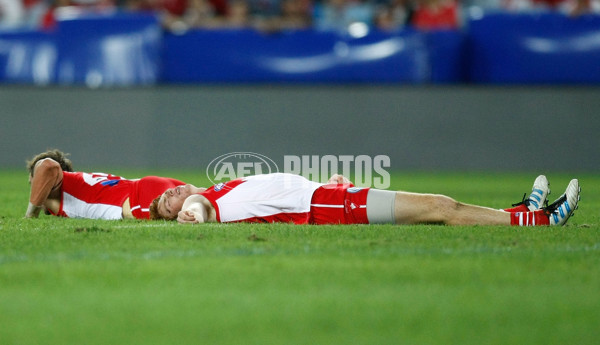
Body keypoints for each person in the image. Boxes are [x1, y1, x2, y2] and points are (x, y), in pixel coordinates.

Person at [149, 172, 580, 227]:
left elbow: (279, 192)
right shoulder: (207, 201)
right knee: (440, 207)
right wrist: (190, 214)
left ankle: (522, 212)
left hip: (329, 195)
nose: (170, 195)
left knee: (440, 204)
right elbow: (200, 212)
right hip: (328, 207)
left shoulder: (223, 185)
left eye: (169, 194)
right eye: (166, 204)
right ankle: (541, 222)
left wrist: (328, 182)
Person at [25, 149, 185, 220]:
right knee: (206, 199)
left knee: (192, 215)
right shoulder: (78, 182)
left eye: (32, 180)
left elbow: (47, 166)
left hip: (138, 199)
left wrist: (30, 215)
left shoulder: (60, 186)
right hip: (150, 185)